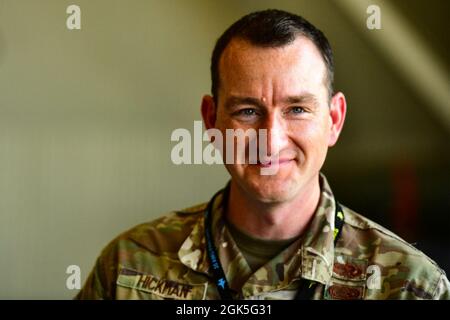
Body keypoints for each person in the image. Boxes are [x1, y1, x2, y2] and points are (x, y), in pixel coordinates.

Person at [76, 9, 449, 300]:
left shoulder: (408, 286)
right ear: (211, 119)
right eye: (247, 111)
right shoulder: (127, 266)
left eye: (297, 109)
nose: (270, 142)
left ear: (333, 120)